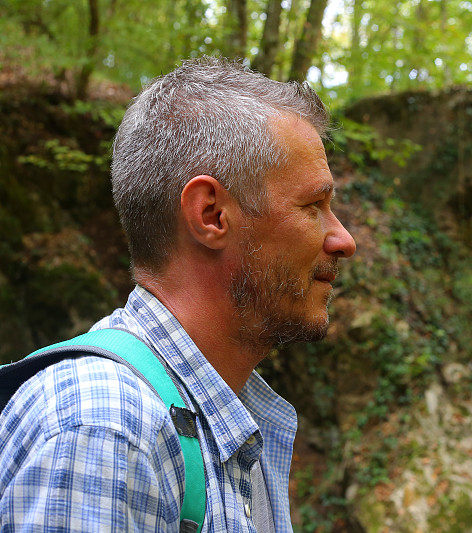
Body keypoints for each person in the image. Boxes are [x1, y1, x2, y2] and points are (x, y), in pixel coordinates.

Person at [0, 57, 356, 532]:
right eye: (314, 205)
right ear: (211, 215)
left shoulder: (229, 417)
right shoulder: (107, 427)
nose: (344, 239)